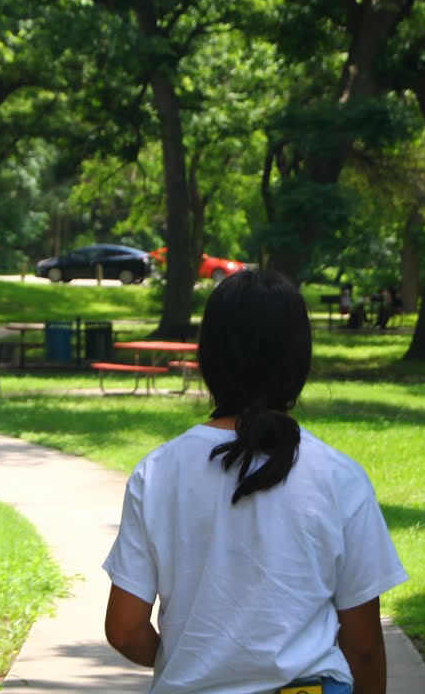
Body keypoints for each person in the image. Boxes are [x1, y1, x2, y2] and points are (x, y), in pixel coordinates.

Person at [103, 269, 408, 694]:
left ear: (207, 357)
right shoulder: (339, 477)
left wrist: (192, 664)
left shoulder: (157, 472)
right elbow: (363, 647)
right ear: (299, 360)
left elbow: (124, 630)